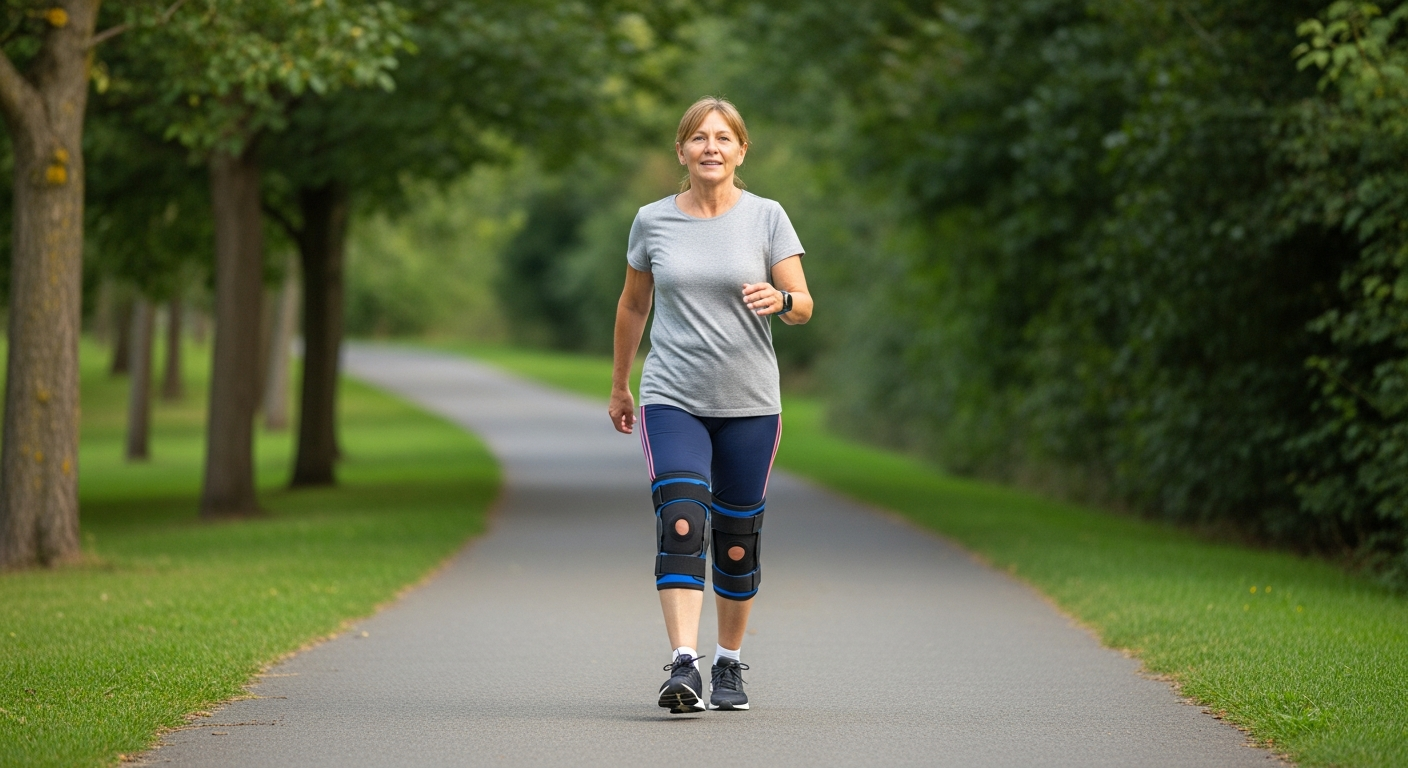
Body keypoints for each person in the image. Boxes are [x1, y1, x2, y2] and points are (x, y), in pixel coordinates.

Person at [608, 96, 814, 714]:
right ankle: (684, 664)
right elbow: (633, 306)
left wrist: (779, 299)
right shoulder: (653, 221)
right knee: (681, 523)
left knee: (735, 540)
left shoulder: (767, 217)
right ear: (682, 151)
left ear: (741, 150)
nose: (711, 148)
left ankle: (728, 664)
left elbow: (804, 302)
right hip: (673, 397)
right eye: (699, 139)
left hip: (751, 403)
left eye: (723, 138)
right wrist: (621, 383)